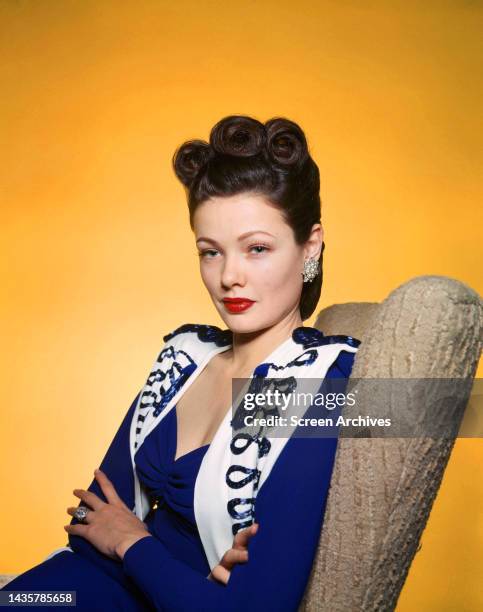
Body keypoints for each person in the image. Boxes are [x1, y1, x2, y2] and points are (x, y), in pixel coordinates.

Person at [2, 115, 360, 610]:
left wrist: (132, 542)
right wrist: (152, 563)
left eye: (257, 249)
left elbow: (251, 608)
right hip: (70, 589)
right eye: (210, 252)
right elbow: (88, 527)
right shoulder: (185, 357)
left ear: (310, 245)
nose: (229, 276)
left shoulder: (311, 382)